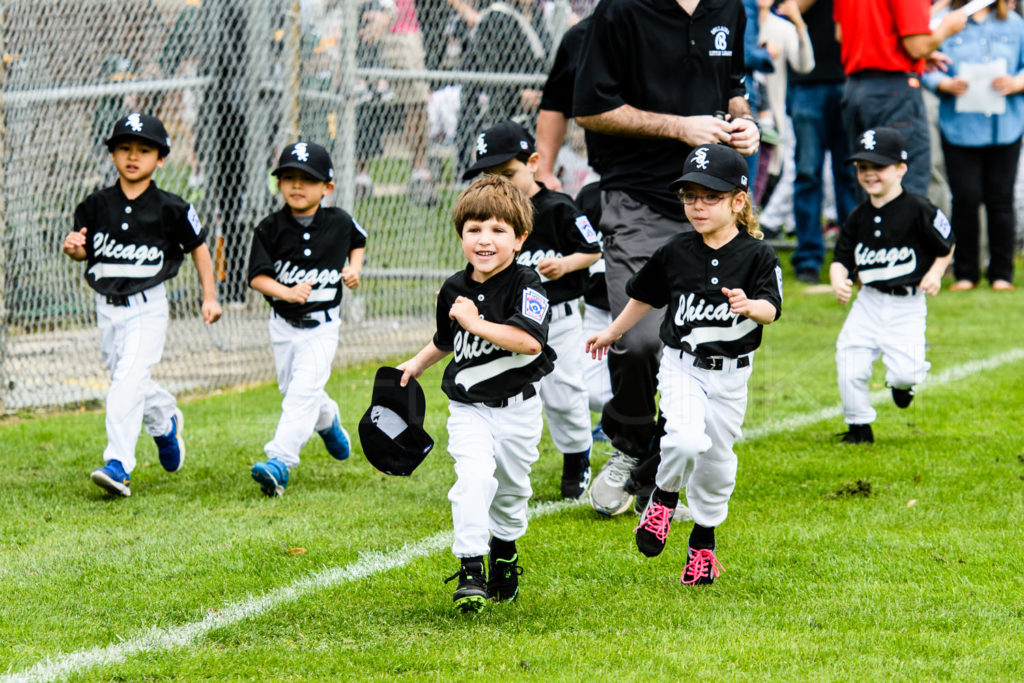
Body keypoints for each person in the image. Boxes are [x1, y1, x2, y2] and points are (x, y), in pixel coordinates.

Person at [572, 0, 759, 517]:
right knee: (636, 340)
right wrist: (680, 128)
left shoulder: (730, 7)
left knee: (704, 336)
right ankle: (630, 446)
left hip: (717, 202)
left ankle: (666, 462)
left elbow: (735, 88)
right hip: (639, 199)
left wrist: (745, 125)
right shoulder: (620, 10)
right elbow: (589, 108)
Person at [586, 144, 782, 585]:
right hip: (682, 366)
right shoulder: (675, 250)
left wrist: (751, 307)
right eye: (690, 195)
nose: (697, 205)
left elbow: (772, 308)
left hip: (731, 375)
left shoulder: (758, 256)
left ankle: (703, 545)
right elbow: (644, 295)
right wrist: (613, 332)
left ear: (738, 201)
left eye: (710, 196)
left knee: (717, 465)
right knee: (685, 440)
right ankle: (663, 496)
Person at [397, 175, 555, 613]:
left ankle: (505, 549)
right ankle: (471, 566)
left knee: (510, 492)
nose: (485, 240)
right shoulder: (453, 288)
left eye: (498, 230)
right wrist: (417, 363)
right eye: (474, 230)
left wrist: (474, 321)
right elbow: (446, 339)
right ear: (461, 235)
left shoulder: (528, 284)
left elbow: (529, 343)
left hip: (518, 410)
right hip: (469, 407)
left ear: (520, 239)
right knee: (473, 480)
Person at [62, 113, 223, 497]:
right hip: (107, 307)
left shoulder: (172, 207)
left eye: (144, 150)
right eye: (124, 149)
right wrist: (75, 249)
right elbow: (86, 251)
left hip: (148, 307)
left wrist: (210, 295)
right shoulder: (95, 205)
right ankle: (165, 423)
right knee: (130, 380)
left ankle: (119, 465)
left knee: (126, 382)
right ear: (113, 154)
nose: (133, 157)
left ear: (161, 158)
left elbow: (199, 248)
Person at [463, 120, 601, 499]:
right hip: (505, 324)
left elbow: (593, 248)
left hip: (558, 318)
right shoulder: (487, 218)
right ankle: (497, 467)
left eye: (508, 173)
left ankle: (577, 459)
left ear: (534, 161)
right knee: (505, 394)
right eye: (490, 176)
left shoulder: (558, 207)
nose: (500, 184)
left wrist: (566, 264)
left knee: (563, 393)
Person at [246, 142, 366, 496]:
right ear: (278, 184)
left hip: (323, 326)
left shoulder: (339, 221)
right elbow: (257, 277)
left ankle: (279, 462)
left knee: (301, 392)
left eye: (307, 179)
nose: (297, 186)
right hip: (283, 326)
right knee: (297, 390)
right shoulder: (269, 228)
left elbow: (358, 239)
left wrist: (354, 269)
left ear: (327, 187)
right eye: (288, 177)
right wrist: (286, 291)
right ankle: (328, 420)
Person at [829, 128, 955, 444]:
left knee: (906, 372)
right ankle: (859, 427)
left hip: (907, 305)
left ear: (901, 169)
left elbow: (947, 243)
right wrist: (838, 281)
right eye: (863, 168)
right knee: (849, 362)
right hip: (868, 302)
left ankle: (903, 386)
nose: (870, 174)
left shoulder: (919, 208)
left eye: (878, 167)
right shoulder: (858, 216)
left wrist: (936, 273)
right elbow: (841, 258)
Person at [923, 0, 1024, 292]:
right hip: (960, 126)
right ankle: (966, 272)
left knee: (1000, 199)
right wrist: (944, 84)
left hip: (1005, 125)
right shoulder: (944, 20)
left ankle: (1001, 273)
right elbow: (923, 62)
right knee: (965, 199)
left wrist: (1016, 83)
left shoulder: (1014, 23)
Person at [833, 0, 967, 197]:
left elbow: (841, 34)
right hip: (894, 94)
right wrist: (947, 28)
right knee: (903, 188)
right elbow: (917, 46)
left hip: (856, 88)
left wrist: (896, 52)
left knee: (870, 186)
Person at [781, 0, 858, 284]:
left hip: (849, 78)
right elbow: (790, 8)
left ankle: (851, 258)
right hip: (806, 82)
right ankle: (808, 258)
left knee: (850, 174)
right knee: (807, 173)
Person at [455, 0, 550, 176]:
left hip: (537, 101)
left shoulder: (537, 17)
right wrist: (518, 96)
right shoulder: (496, 17)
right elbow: (493, 75)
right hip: (506, 110)